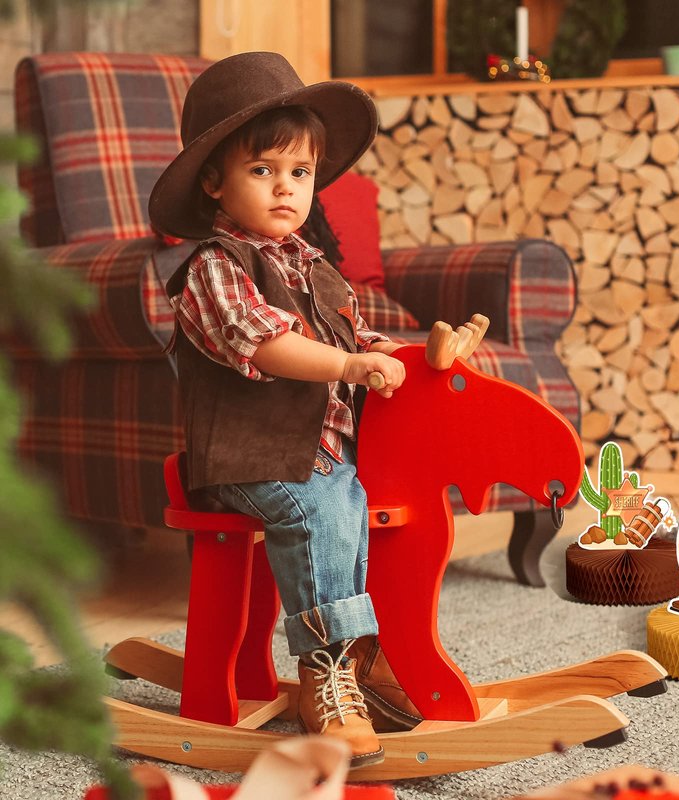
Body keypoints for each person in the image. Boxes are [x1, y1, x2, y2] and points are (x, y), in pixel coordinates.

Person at [149, 52, 421, 767]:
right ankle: (326, 673)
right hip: (248, 460)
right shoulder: (213, 268)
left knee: (356, 507)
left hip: (321, 455)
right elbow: (269, 346)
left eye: (299, 172)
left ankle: (361, 655)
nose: (285, 188)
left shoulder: (312, 264)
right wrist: (349, 365)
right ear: (215, 183)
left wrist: (392, 354)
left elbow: (352, 338)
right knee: (318, 512)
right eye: (263, 170)